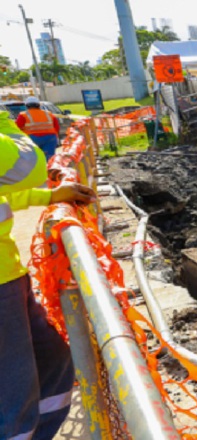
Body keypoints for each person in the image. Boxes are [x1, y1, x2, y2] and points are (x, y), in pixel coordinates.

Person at [0, 110, 96, 439]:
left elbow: (6, 186)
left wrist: (49, 196)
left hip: (8, 275)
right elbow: (28, 166)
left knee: (52, 361)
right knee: (13, 392)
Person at [15, 96, 60, 162]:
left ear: (27, 106)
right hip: (50, 138)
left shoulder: (23, 115)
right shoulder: (49, 114)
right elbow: (56, 127)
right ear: (39, 105)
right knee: (49, 159)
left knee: (33, 160)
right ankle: (49, 171)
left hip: (32, 138)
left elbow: (17, 128)